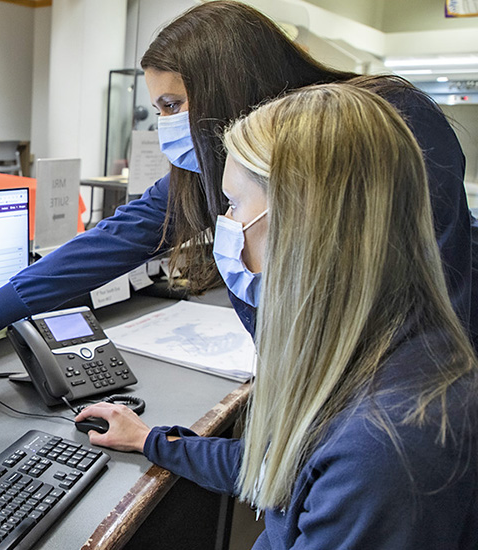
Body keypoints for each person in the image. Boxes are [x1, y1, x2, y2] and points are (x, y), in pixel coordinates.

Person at [0, 0, 476, 358]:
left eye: (173, 105)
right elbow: (123, 235)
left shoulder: (384, 123)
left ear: (227, 91)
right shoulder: (227, 162)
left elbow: (439, 298)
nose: (165, 123)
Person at [77, 83, 478, 549]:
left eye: (234, 204)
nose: (225, 224)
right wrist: (153, 441)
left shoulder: (384, 447)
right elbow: (284, 469)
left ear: (303, 221)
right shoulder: (379, 354)